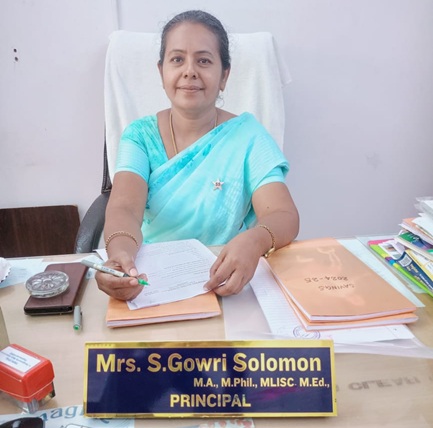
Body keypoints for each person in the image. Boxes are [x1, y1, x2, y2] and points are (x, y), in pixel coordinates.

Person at [96, 10, 299, 300]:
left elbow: (283, 214)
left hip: (228, 278)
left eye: (203, 61)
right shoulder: (139, 136)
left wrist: (255, 241)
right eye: (177, 59)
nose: (190, 71)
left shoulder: (249, 136)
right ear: (161, 72)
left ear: (224, 75)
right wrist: (120, 257)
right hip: (149, 281)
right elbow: (124, 208)